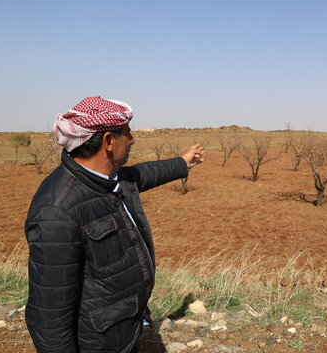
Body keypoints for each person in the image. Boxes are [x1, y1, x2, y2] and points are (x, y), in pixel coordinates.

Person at [24, 96, 204, 353]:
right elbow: (49, 315)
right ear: (109, 141)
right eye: (127, 133)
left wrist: (182, 162)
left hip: (122, 329)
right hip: (98, 343)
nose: (132, 139)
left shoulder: (108, 179)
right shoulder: (57, 211)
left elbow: (143, 174)